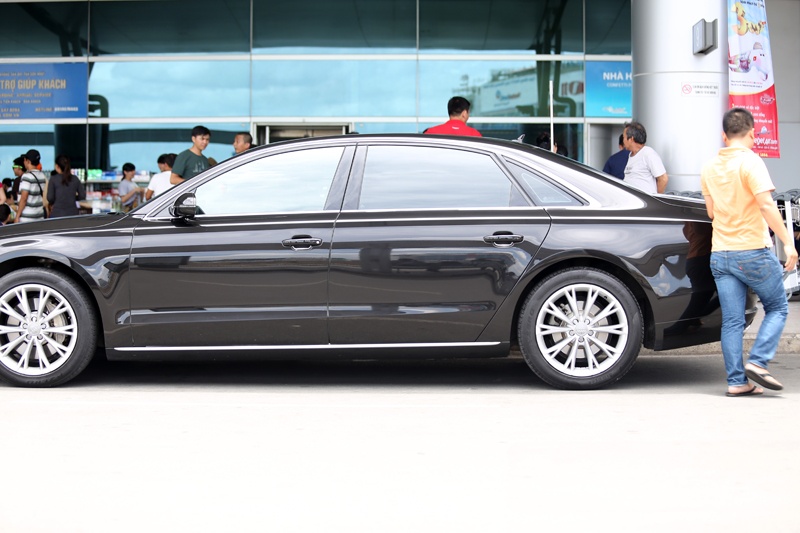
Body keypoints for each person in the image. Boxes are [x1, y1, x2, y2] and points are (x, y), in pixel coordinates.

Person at [700, 107, 798, 397]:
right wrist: (788, 243)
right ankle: (758, 361)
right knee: (777, 307)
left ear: (724, 135)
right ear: (753, 133)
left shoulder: (709, 167)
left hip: (721, 253)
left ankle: (737, 382)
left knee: (732, 321)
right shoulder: (751, 162)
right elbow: (766, 204)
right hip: (752, 250)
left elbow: (711, 212)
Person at [622, 121, 668, 194]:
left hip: (645, 200)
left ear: (631, 139)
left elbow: (663, 179)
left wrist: (656, 198)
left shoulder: (648, 153)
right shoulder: (631, 155)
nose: (623, 141)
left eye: (624, 137)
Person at [15, 149, 48, 223]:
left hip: (27, 217)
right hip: (39, 215)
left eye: (24, 160)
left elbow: (24, 198)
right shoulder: (42, 176)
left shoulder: (26, 176)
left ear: (28, 161)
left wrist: (17, 216)